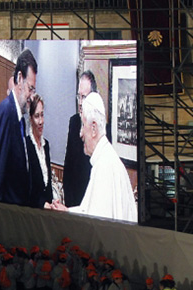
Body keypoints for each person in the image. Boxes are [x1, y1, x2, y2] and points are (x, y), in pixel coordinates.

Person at [50, 93, 138, 222]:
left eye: (83, 126)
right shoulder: (105, 159)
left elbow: (96, 227)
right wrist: (67, 211)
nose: (80, 134)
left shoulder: (104, 167)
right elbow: (89, 210)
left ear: (93, 128)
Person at [0, 49, 37, 206]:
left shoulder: (21, 120)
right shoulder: (6, 111)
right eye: (30, 88)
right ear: (19, 78)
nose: (32, 96)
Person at [63, 71, 96, 207]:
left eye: (84, 97)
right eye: (79, 97)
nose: (81, 103)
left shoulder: (100, 128)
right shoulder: (74, 122)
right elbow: (68, 167)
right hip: (74, 202)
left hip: (93, 202)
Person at [26, 94, 53, 208]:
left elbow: (48, 185)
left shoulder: (46, 145)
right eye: (37, 116)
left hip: (48, 213)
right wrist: (42, 204)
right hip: (33, 213)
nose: (41, 121)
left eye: (42, 115)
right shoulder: (26, 146)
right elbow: (26, 189)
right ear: (30, 118)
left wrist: (53, 203)